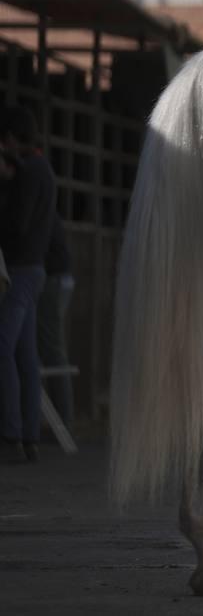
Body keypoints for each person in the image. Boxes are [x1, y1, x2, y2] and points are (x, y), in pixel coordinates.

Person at [0, 107, 57, 463]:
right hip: (34, 269)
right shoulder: (40, 169)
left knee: (3, 345)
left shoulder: (30, 173)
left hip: (21, 269)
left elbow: (17, 223)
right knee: (25, 354)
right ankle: (29, 435)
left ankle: (11, 430)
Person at [37, 219, 76, 425]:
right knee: (50, 348)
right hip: (59, 277)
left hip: (54, 277)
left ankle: (63, 421)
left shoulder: (35, 196)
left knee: (52, 349)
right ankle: (59, 420)